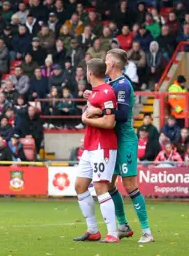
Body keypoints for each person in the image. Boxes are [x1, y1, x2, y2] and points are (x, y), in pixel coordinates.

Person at [84, 49, 154, 243]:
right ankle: (123, 225)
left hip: (125, 139)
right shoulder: (109, 84)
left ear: (112, 64)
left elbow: (121, 115)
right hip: (112, 140)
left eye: (106, 61)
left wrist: (97, 108)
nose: (103, 64)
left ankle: (147, 231)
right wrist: (92, 96)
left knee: (130, 185)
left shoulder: (123, 85)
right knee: (109, 184)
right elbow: (106, 104)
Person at [73, 58, 119, 243]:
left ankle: (113, 234)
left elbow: (109, 123)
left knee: (100, 187)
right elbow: (96, 107)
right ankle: (93, 230)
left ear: (90, 72)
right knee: (80, 186)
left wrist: (86, 118)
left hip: (103, 146)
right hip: (91, 146)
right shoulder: (96, 92)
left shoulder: (106, 93)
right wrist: (90, 105)